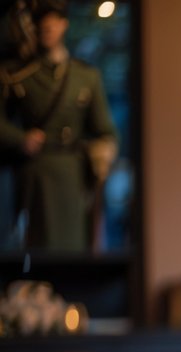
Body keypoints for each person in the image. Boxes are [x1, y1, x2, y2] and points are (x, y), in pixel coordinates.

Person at [0, 0, 116, 251]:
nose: (48, 28)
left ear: (64, 25)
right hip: (33, 170)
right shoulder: (18, 74)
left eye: (54, 22)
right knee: (33, 245)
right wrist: (20, 138)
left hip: (71, 173)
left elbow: (104, 130)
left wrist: (100, 158)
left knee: (71, 246)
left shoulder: (85, 77)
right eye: (43, 23)